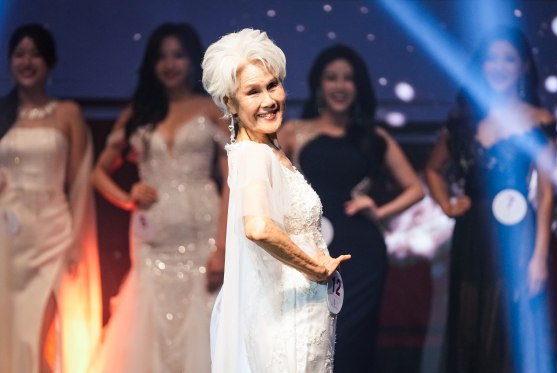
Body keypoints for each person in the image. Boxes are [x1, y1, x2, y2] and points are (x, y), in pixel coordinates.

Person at [202, 28, 351, 372]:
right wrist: (314, 266)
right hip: (287, 319)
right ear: (231, 103)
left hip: (300, 311)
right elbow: (257, 227)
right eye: (252, 92)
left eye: (273, 85)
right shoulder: (255, 155)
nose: (269, 100)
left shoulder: (267, 149)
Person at [90, 23, 228, 372]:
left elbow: (234, 181)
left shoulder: (211, 109)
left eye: (178, 55)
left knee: (204, 321)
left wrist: (223, 248)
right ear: (152, 63)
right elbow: (97, 173)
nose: (170, 64)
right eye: (162, 56)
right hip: (153, 240)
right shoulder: (139, 112)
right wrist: (128, 194)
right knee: (148, 320)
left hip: (202, 233)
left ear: (193, 60)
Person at [279, 44, 424, 372]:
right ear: (319, 83)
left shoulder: (373, 137)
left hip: (361, 255)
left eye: (348, 79)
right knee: (308, 338)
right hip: (309, 251)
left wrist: (380, 211)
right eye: (332, 78)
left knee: (350, 341)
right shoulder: (293, 132)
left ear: (359, 87)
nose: (340, 86)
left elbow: (415, 188)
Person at [425, 26, 556, 373]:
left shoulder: (540, 121)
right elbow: (433, 170)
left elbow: (546, 193)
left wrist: (540, 256)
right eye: (491, 58)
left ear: (524, 66)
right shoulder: (463, 121)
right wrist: (449, 205)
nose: (499, 66)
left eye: (508, 58)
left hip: (518, 235)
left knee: (506, 327)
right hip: (473, 233)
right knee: (468, 328)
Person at [0, 23, 102, 373]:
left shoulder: (67, 113)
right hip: (8, 236)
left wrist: (76, 240)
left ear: (50, 62)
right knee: (9, 327)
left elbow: (79, 182)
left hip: (52, 233)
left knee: (41, 331)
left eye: (35, 54)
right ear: (10, 61)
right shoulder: (2, 113)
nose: (27, 61)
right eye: (19, 54)